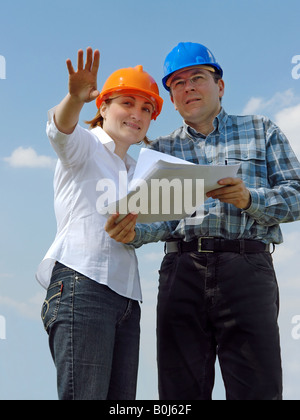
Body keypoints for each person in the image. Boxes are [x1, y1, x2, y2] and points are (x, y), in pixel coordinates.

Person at [105, 42, 300, 400]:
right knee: (179, 396)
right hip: (182, 272)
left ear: (220, 86)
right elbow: (160, 222)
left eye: (197, 77)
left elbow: (297, 194)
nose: (188, 87)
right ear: (172, 98)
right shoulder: (159, 151)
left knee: (257, 389)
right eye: (177, 83)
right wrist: (132, 231)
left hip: (248, 269)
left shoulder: (262, 130)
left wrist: (249, 199)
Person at [36, 47, 163, 400]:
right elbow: (60, 130)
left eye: (146, 108)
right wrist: (74, 98)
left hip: (127, 301)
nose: (137, 114)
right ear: (103, 107)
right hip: (82, 286)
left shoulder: (141, 172)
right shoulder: (86, 145)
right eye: (127, 102)